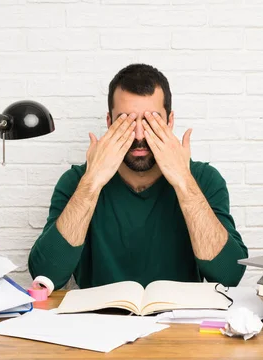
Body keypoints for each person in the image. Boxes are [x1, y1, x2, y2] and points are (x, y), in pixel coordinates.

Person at [28, 63, 247, 290]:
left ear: (170, 122)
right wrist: (92, 182)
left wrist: (183, 182)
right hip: (98, 321)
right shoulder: (77, 181)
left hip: (181, 322)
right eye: (127, 121)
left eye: (152, 120)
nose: (140, 135)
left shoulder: (204, 179)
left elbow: (229, 275)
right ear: (109, 123)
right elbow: (45, 275)